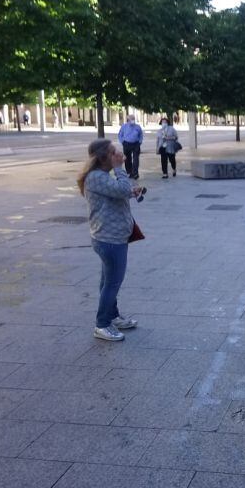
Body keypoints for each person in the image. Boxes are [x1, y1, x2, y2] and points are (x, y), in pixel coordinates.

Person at [78, 138, 143, 341]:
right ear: (103, 157)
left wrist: (131, 192)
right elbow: (121, 189)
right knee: (112, 283)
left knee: (108, 280)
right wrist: (120, 169)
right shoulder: (97, 176)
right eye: (114, 152)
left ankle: (112, 316)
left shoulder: (101, 176)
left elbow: (118, 193)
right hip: (109, 238)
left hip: (112, 236)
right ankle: (102, 324)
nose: (118, 155)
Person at [118, 114, 144, 179]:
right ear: (128, 120)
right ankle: (129, 172)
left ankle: (135, 173)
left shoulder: (137, 127)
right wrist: (122, 142)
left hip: (136, 144)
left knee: (136, 159)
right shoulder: (124, 126)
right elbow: (120, 135)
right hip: (126, 144)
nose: (133, 120)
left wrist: (140, 142)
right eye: (131, 119)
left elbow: (141, 135)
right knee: (127, 159)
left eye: (133, 119)